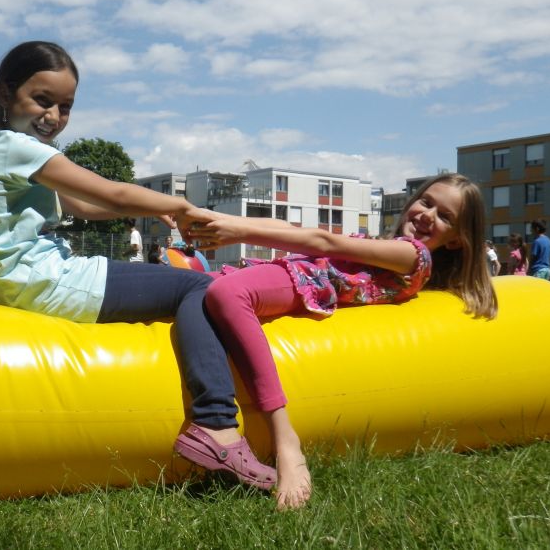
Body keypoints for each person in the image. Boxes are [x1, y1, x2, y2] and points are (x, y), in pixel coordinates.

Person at [0, 41, 276, 493]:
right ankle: (217, 425)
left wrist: (154, 210)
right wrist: (179, 205)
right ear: (6, 93)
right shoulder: (16, 148)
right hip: (53, 283)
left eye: (65, 106)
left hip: (39, 282)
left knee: (185, 284)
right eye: (42, 100)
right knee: (198, 286)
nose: (54, 116)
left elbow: (84, 205)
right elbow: (112, 192)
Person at [188, 173, 498, 510]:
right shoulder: (384, 244)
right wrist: (214, 218)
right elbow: (288, 228)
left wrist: (240, 232)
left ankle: (285, 439)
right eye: (426, 202)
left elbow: (325, 243)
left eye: (445, 216)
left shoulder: (415, 256)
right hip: (292, 272)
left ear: (456, 240)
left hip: (305, 281)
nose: (427, 215)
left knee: (228, 292)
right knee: (188, 288)